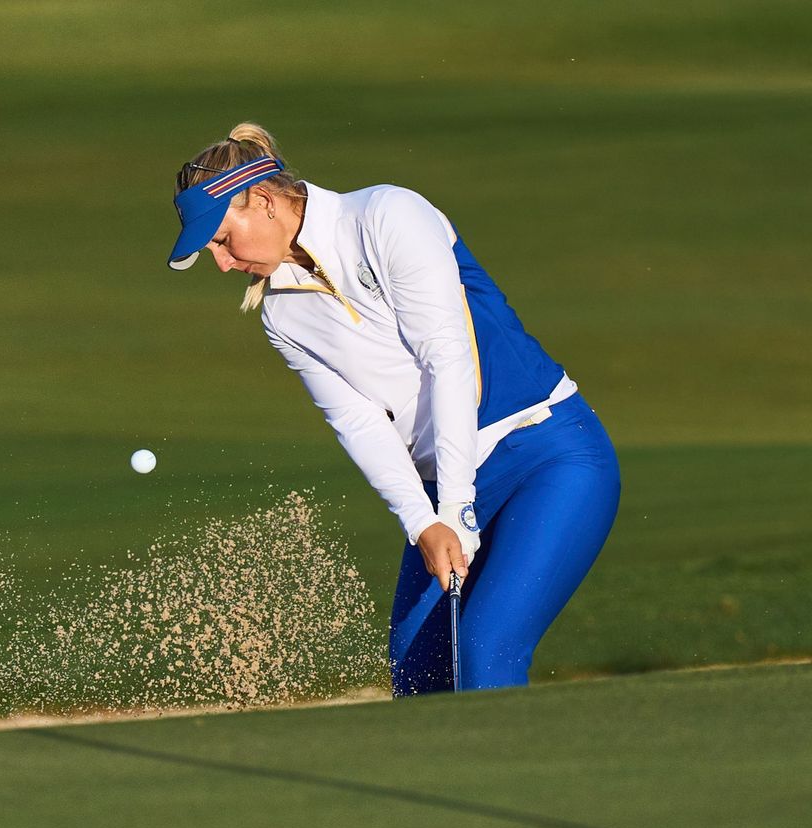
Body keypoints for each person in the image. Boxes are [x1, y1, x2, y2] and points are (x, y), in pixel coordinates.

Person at [167, 122, 620, 694]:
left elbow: (448, 358)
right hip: (440, 487)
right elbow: (357, 421)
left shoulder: (386, 215)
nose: (223, 263)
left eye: (222, 239)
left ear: (261, 202)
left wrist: (455, 504)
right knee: (418, 676)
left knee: (484, 650)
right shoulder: (281, 314)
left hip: (546, 453)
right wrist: (424, 521)